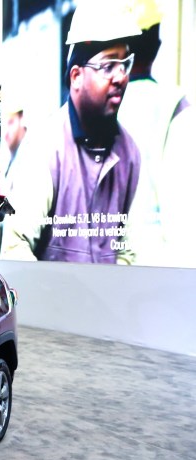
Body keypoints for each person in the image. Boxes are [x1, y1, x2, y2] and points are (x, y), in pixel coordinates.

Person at [1, 0, 142, 263]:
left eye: (124, 64)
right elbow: (15, 247)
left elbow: (127, 251)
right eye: (108, 66)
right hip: (50, 291)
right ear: (76, 76)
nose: (121, 77)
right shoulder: (45, 147)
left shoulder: (129, 152)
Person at [117, 0, 196, 267]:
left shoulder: (97, 110)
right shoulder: (176, 107)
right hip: (158, 267)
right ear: (157, 46)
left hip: (107, 268)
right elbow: (183, 213)